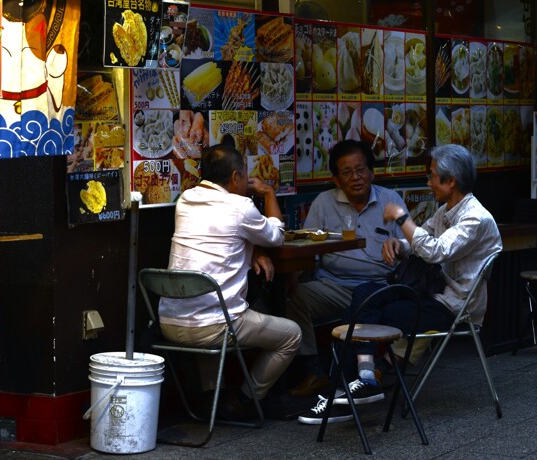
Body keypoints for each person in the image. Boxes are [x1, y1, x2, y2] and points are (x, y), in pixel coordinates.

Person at [299, 144, 501, 424]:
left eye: (431, 177)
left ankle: (341, 390)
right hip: (431, 294)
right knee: (366, 294)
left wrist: (401, 218)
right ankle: (365, 377)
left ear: (450, 181)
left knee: (371, 311)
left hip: (452, 308)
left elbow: (435, 251)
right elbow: (421, 241)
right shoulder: (446, 211)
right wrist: (400, 245)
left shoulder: (475, 218)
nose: (428, 183)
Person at [159, 143, 301, 419]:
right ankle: (245, 398)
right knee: (292, 335)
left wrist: (253, 251)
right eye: (246, 175)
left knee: (205, 309)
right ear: (236, 177)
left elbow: (217, 240)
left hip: (170, 323)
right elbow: (276, 235)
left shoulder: (185, 201)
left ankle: (214, 398)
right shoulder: (241, 206)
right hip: (214, 328)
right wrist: (269, 192)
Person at [285, 139, 407, 398]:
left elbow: (414, 243)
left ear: (371, 172)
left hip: (379, 286)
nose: (356, 177)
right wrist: (294, 276)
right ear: (336, 179)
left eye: (361, 169)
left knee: (374, 302)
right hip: (335, 284)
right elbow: (307, 244)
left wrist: (401, 243)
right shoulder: (323, 202)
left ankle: (360, 375)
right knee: (296, 297)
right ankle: (314, 370)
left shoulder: (390, 200)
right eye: (347, 172)